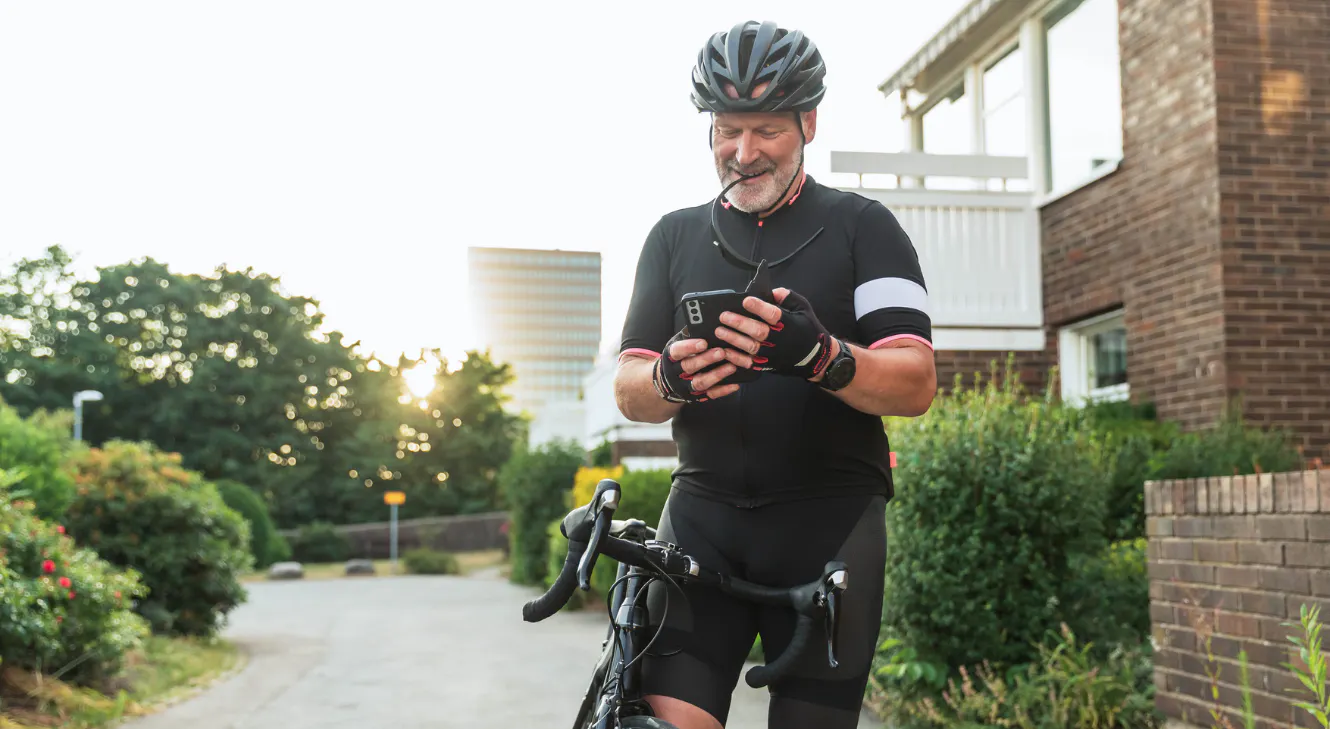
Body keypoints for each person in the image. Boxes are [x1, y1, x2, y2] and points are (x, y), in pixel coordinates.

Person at [612, 19, 938, 729]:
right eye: (727, 130)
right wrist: (671, 377)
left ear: (809, 123)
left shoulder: (866, 227)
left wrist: (822, 356)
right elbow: (630, 387)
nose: (743, 152)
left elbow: (916, 381)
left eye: (767, 130)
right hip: (702, 520)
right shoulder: (672, 236)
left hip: (831, 527)